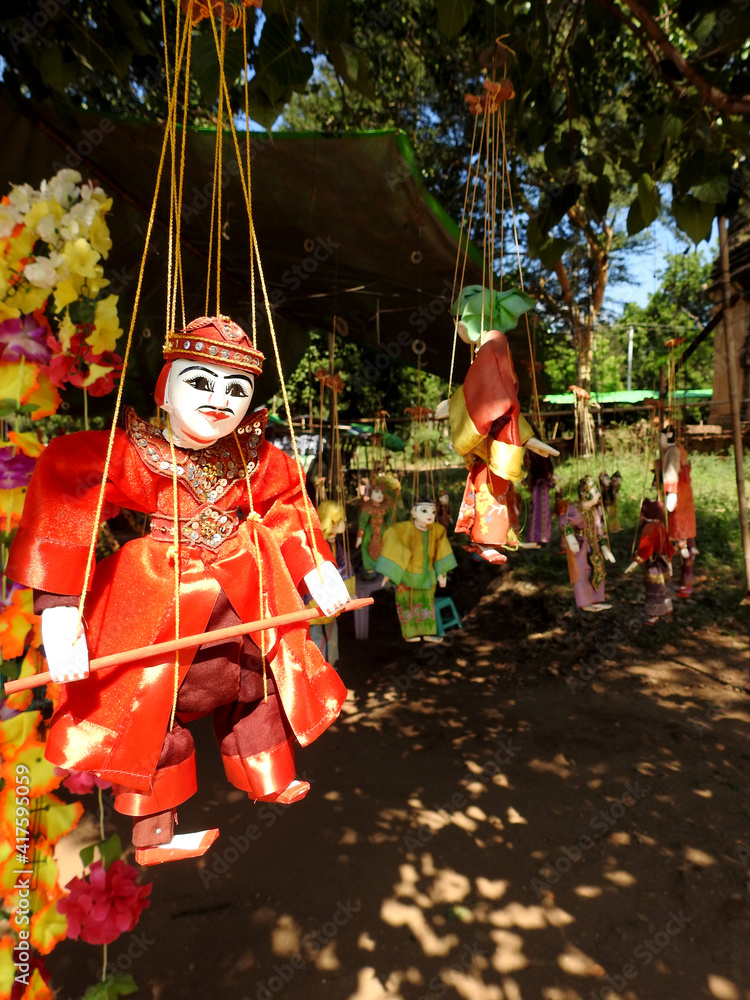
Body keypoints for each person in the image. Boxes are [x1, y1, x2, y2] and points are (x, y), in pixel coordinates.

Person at [6, 316, 350, 865]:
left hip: (242, 593)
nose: (221, 400)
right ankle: (154, 836)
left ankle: (268, 776)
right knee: (147, 710)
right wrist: (60, 606)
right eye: (201, 382)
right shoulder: (140, 455)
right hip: (160, 597)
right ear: (165, 389)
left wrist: (314, 566)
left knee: (258, 686)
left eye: (237, 389)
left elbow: (286, 501)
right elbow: (68, 477)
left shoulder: (252, 459)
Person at [434, 287, 558, 564]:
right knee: (490, 494)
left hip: (495, 448)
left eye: (459, 323)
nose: (457, 330)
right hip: (490, 449)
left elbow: (500, 404)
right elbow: (486, 399)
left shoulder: (493, 351)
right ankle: (487, 540)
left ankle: (491, 540)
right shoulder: (490, 352)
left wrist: (530, 440)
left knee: (494, 494)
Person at [376, 497, 457, 642]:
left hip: (428, 573)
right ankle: (410, 633)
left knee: (427, 603)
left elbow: (441, 550)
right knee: (406, 602)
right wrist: (390, 571)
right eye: (424, 510)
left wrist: (442, 572)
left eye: (433, 511)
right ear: (413, 512)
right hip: (407, 574)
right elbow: (392, 541)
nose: (430, 514)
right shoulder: (403, 529)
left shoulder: (437, 530)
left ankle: (427, 632)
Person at [559, 476, 616, 612]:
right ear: (585, 494)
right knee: (581, 573)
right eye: (595, 492)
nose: (598, 495)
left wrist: (604, 548)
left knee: (598, 570)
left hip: (593, 545)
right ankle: (585, 601)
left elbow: (598, 530)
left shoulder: (594, 511)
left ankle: (595, 599)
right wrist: (571, 538)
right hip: (579, 545)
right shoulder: (575, 509)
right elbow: (564, 522)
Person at [309, 500, 354, 665]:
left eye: (339, 523)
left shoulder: (336, 544)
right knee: (316, 634)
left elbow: (344, 566)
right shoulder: (317, 545)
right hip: (316, 597)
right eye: (333, 523)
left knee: (330, 631)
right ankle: (318, 666)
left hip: (332, 596)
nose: (336, 528)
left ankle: (331, 663)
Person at [660, 426, 697, 597]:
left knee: (684, 545)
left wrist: (672, 492)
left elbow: (671, 474)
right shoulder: (673, 450)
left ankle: (683, 582)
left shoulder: (675, 451)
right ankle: (683, 581)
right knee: (685, 544)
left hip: (679, 500)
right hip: (680, 500)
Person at [625, 499, 674, 624]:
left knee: (654, 589)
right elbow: (669, 546)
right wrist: (669, 563)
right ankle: (666, 608)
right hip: (663, 563)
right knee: (663, 588)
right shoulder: (661, 526)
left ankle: (653, 614)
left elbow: (645, 549)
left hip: (654, 565)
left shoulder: (649, 528)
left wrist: (635, 563)